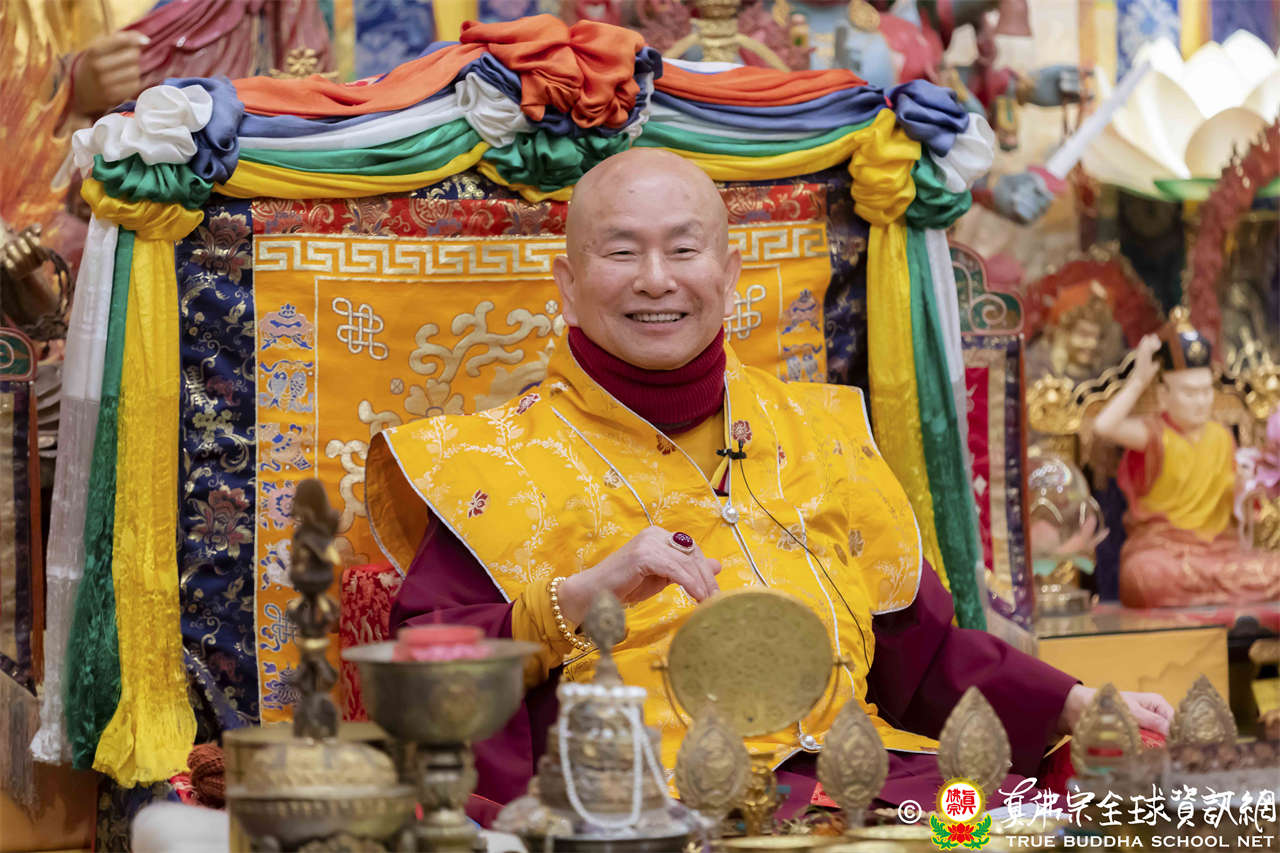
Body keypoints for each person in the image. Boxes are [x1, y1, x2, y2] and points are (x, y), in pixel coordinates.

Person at [365, 148, 1172, 819]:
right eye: (622, 252)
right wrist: (577, 598)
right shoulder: (491, 463)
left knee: (1091, 811)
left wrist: (1071, 702)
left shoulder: (820, 434)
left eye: (683, 250)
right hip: (654, 809)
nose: (656, 279)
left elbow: (920, 658)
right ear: (567, 284)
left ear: (728, 273)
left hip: (871, 787)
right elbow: (431, 691)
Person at [1092, 309, 1280, 608]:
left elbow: (1235, 504)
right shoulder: (1155, 434)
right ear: (1164, 395)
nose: (1201, 402)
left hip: (1221, 553)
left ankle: (1215, 590)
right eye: (1190, 393)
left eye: (1206, 391)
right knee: (1144, 576)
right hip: (1165, 553)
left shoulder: (1221, 436)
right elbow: (1104, 427)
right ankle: (1227, 591)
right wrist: (1139, 380)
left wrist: (1247, 487)